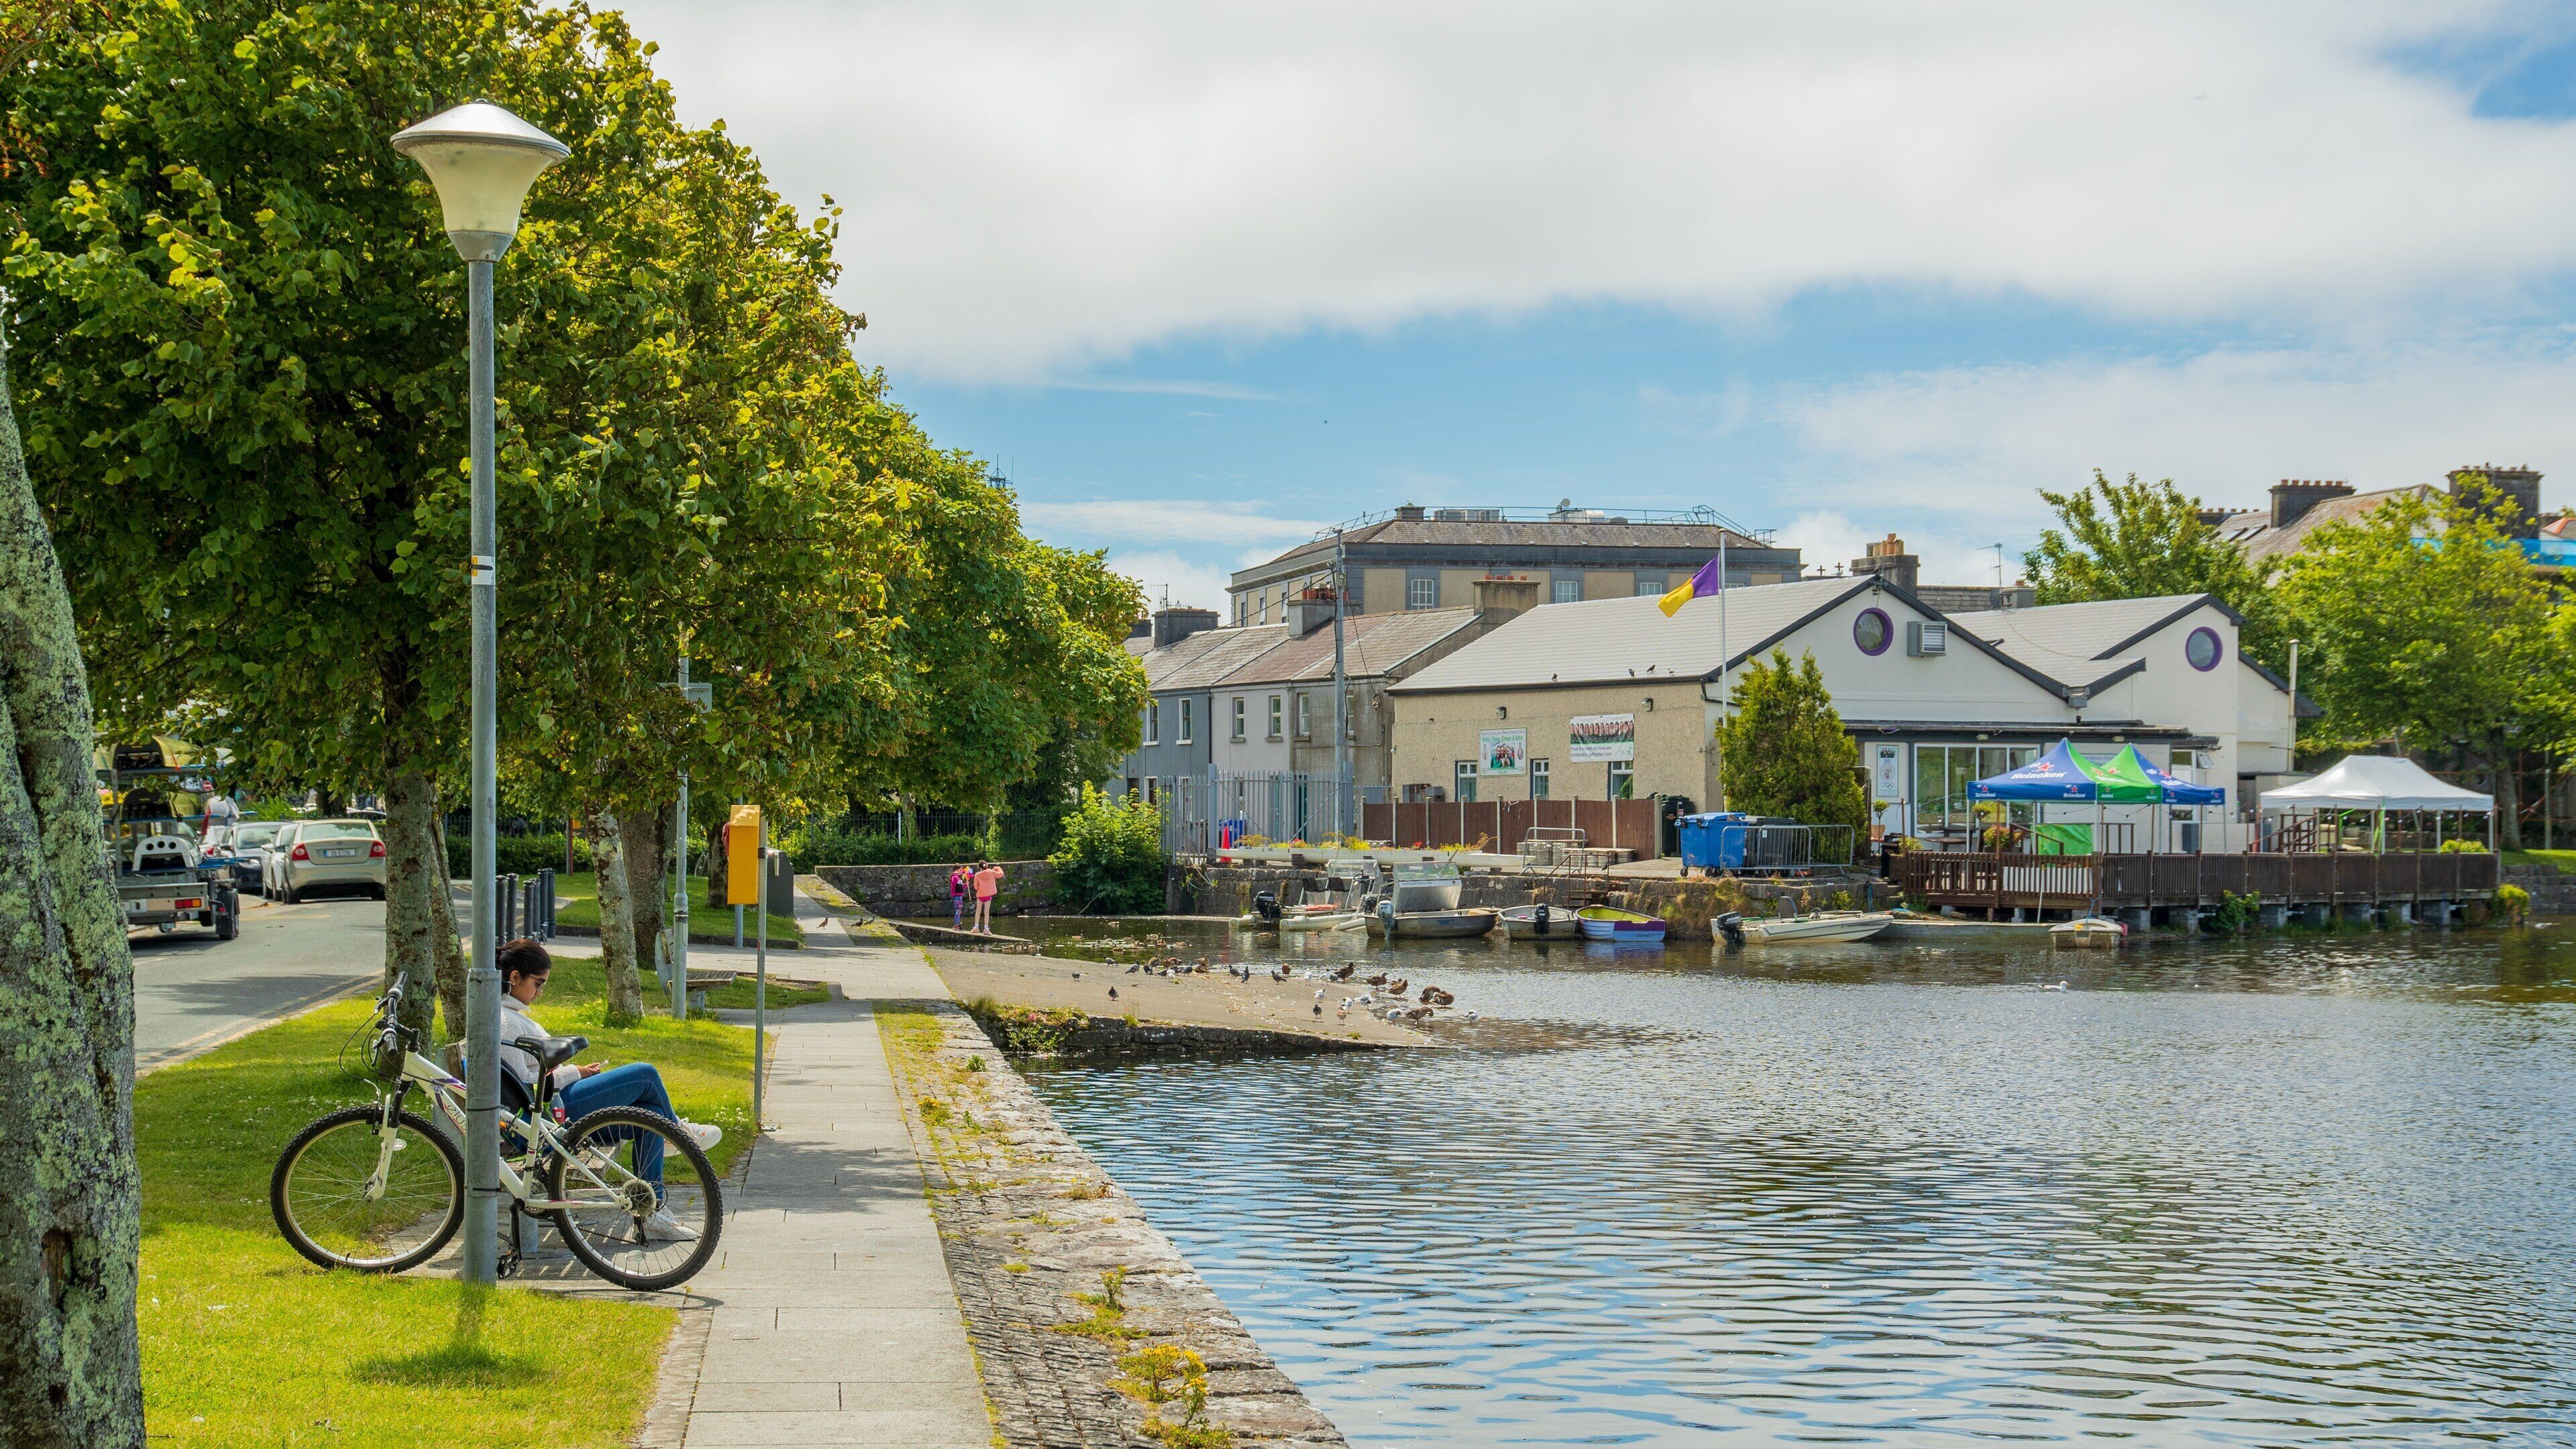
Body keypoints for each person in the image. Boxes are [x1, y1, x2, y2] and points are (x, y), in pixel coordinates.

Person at [494, 938, 720, 1240]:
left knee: (650, 1116)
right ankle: (678, 1133)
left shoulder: (512, 1016)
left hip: (552, 1108)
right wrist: (576, 1072)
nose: (540, 992)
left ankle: (652, 1213)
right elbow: (526, 1084)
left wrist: (576, 1072)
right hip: (547, 1116)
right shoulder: (505, 1022)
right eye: (538, 983)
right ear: (514, 978)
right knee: (645, 1073)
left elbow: (535, 1073)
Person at [971, 858, 1003, 934]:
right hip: (988, 895)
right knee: (987, 912)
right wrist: (997, 868)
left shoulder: (977, 875)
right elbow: (1001, 874)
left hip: (980, 895)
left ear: (979, 867)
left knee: (978, 911)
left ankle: (976, 927)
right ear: (986, 866)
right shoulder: (991, 872)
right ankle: (986, 929)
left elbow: (976, 887)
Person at [949, 863, 970, 928]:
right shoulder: (954, 877)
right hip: (957, 896)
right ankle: (956, 925)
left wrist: (966, 884)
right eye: (960, 870)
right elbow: (953, 880)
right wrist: (955, 874)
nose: (962, 872)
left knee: (959, 910)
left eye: (962, 870)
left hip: (960, 896)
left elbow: (961, 888)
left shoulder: (958, 878)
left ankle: (957, 924)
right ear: (956, 870)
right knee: (958, 910)